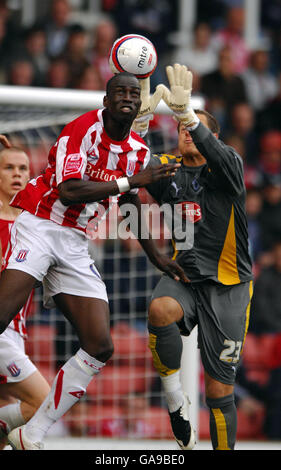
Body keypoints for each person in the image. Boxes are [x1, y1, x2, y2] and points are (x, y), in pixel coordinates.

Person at [1, 71, 186, 450]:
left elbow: (130, 201)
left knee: (100, 345)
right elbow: (69, 191)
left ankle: (30, 433)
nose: (128, 97)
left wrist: (156, 256)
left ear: (138, 104)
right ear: (106, 100)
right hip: (40, 225)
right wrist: (130, 183)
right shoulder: (80, 130)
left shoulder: (136, 150)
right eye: (119, 91)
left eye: (134, 93)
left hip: (74, 242)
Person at [144, 64, 253, 450]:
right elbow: (126, 170)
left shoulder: (229, 168)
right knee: (159, 311)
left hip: (229, 287)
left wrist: (189, 113)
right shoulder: (166, 170)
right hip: (185, 278)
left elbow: (220, 157)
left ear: (213, 137)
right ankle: (175, 402)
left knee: (219, 388)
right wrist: (139, 123)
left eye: (193, 127)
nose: (186, 132)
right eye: (181, 127)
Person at [0, 136, 50, 449]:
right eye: (8, 167)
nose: (17, 173)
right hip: (1, 334)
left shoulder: (32, 224)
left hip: (17, 331)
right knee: (44, 402)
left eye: (22, 167)